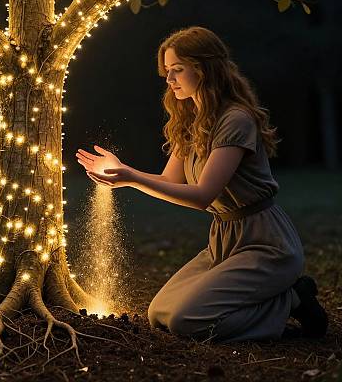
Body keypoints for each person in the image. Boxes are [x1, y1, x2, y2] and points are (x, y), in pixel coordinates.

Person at [75, 26, 328, 342]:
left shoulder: (235, 120)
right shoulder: (192, 121)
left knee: (188, 322)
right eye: (167, 71)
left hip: (265, 242)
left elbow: (203, 195)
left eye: (177, 70)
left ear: (205, 68)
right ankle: (277, 299)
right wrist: (125, 174)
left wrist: (132, 177)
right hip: (223, 240)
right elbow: (169, 180)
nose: (169, 80)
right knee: (159, 313)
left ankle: (290, 300)